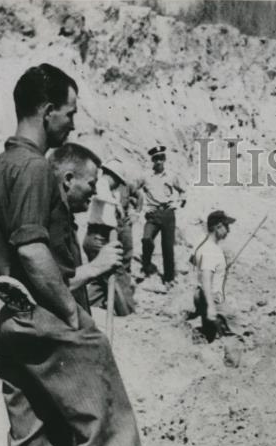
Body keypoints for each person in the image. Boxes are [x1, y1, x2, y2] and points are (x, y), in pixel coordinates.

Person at [0, 64, 164, 446]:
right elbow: (34, 253)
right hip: (40, 313)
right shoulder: (37, 169)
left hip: (1, 314)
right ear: (46, 111)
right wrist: (71, 314)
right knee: (110, 423)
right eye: (70, 112)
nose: (72, 125)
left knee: (37, 435)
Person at [82, 158, 137, 315]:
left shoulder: (110, 189)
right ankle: (126, 312)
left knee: (100, 279)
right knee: (113, 274)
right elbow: (99, 195)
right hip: (97, 237)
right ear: (111, 175)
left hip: (102, 237)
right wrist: (116, 203)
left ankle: (83, 302)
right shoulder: (101, 184)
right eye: (117, 180)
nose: (118, 184)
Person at [139, 145, 185, 286]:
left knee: (167, 247)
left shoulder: (172, 175)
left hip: (167, 213)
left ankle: (168, 278)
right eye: (156, 159)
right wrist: (142, 208)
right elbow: (135, 191)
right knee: (146, 239)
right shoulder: (146, 176)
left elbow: (183, 192)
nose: (159, 161)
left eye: (161, 158)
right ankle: (146, 265)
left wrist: (178, 203)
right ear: (152, 160)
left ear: (164, 160)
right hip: (152, 213)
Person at [193, 209, 236, 342]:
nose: (228, 230)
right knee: (239, 330)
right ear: (218, 227)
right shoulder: (212, 250)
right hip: (211, 299)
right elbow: (206, 279)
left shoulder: (204, 244)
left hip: (201, 296)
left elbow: (193, 262)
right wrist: (211, 307)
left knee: (212, 334)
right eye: (226, 226)